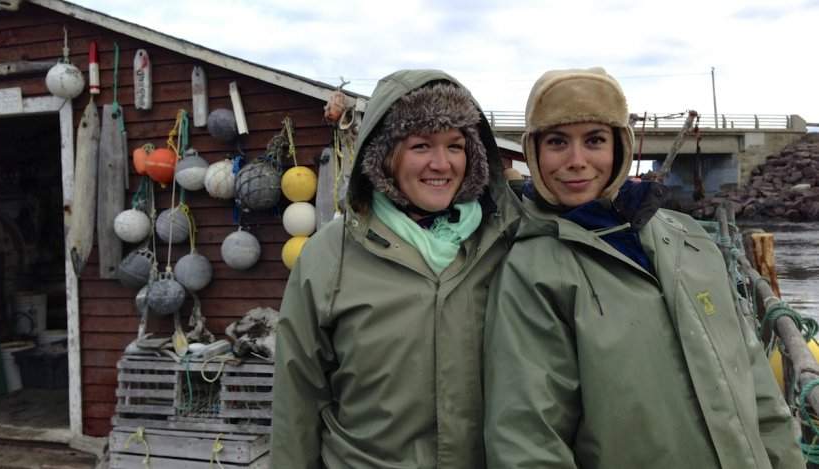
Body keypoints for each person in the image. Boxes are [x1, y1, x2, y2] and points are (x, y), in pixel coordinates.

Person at [483, 67, 803, 469]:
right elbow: (527, 439)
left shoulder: (690, 240)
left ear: (619, 147)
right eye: (558, 142)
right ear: (534, 153)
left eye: (595, 140)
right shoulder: (531, 270)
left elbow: (756, 382)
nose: (577, 161)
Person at [272, 69, 521, 469]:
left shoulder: (505, 244)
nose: (441, 164)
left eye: (455, 146)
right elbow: (297, 397)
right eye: (421, 145)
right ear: (384, 155)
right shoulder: (328, 256)